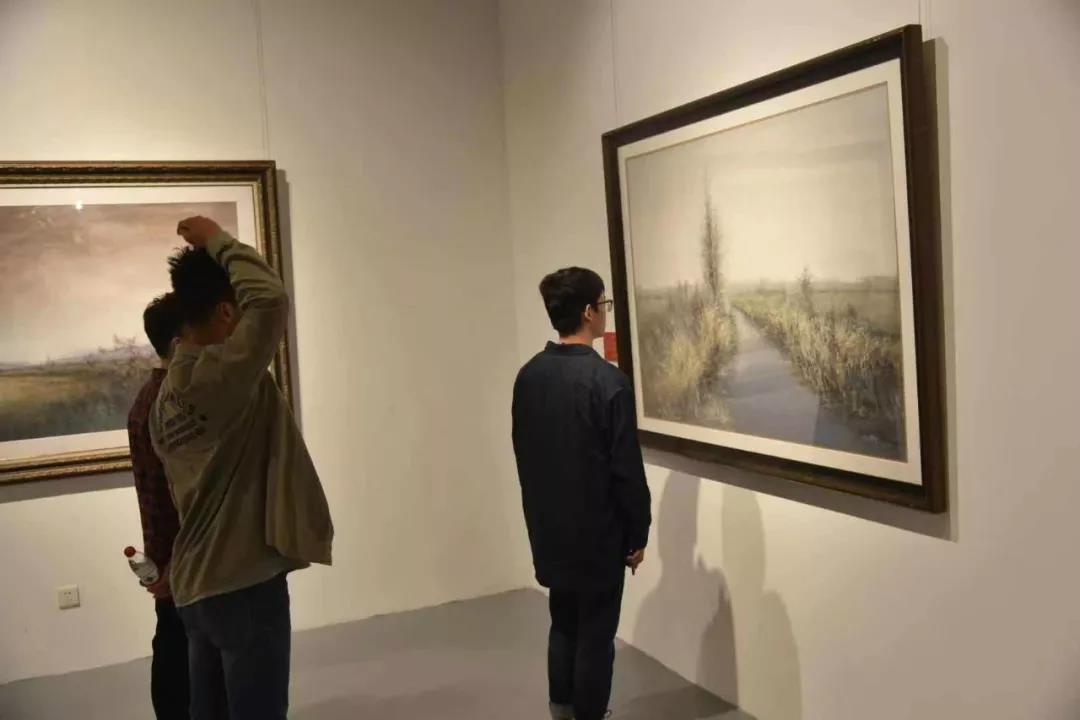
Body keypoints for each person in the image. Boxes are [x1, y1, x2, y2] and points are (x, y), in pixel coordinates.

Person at [150, 216, 334, 720]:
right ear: (227, 311)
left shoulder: (165, 395)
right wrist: (217, 240)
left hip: (196, 587)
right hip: (242, 585)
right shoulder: (222, 375)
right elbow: (271, 298)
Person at [512, 267, 652, 720]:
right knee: (595, 633)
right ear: (590, 312)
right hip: (598, 536)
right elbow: (626, 471)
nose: (606, 312)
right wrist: (637, 534)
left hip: (550, 529)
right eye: (604, 304)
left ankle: (562, 710)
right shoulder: (608, 383)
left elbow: (525, 455)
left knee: (564, 622)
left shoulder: (529, 377)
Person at [127, 292, 189, 720]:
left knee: (173, 645)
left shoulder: (148, 398)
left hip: (171, 553)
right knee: (178, 655)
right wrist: (171, 564)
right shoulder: (169, 403)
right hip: (180, 555)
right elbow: (168, 494)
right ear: (180, 342)